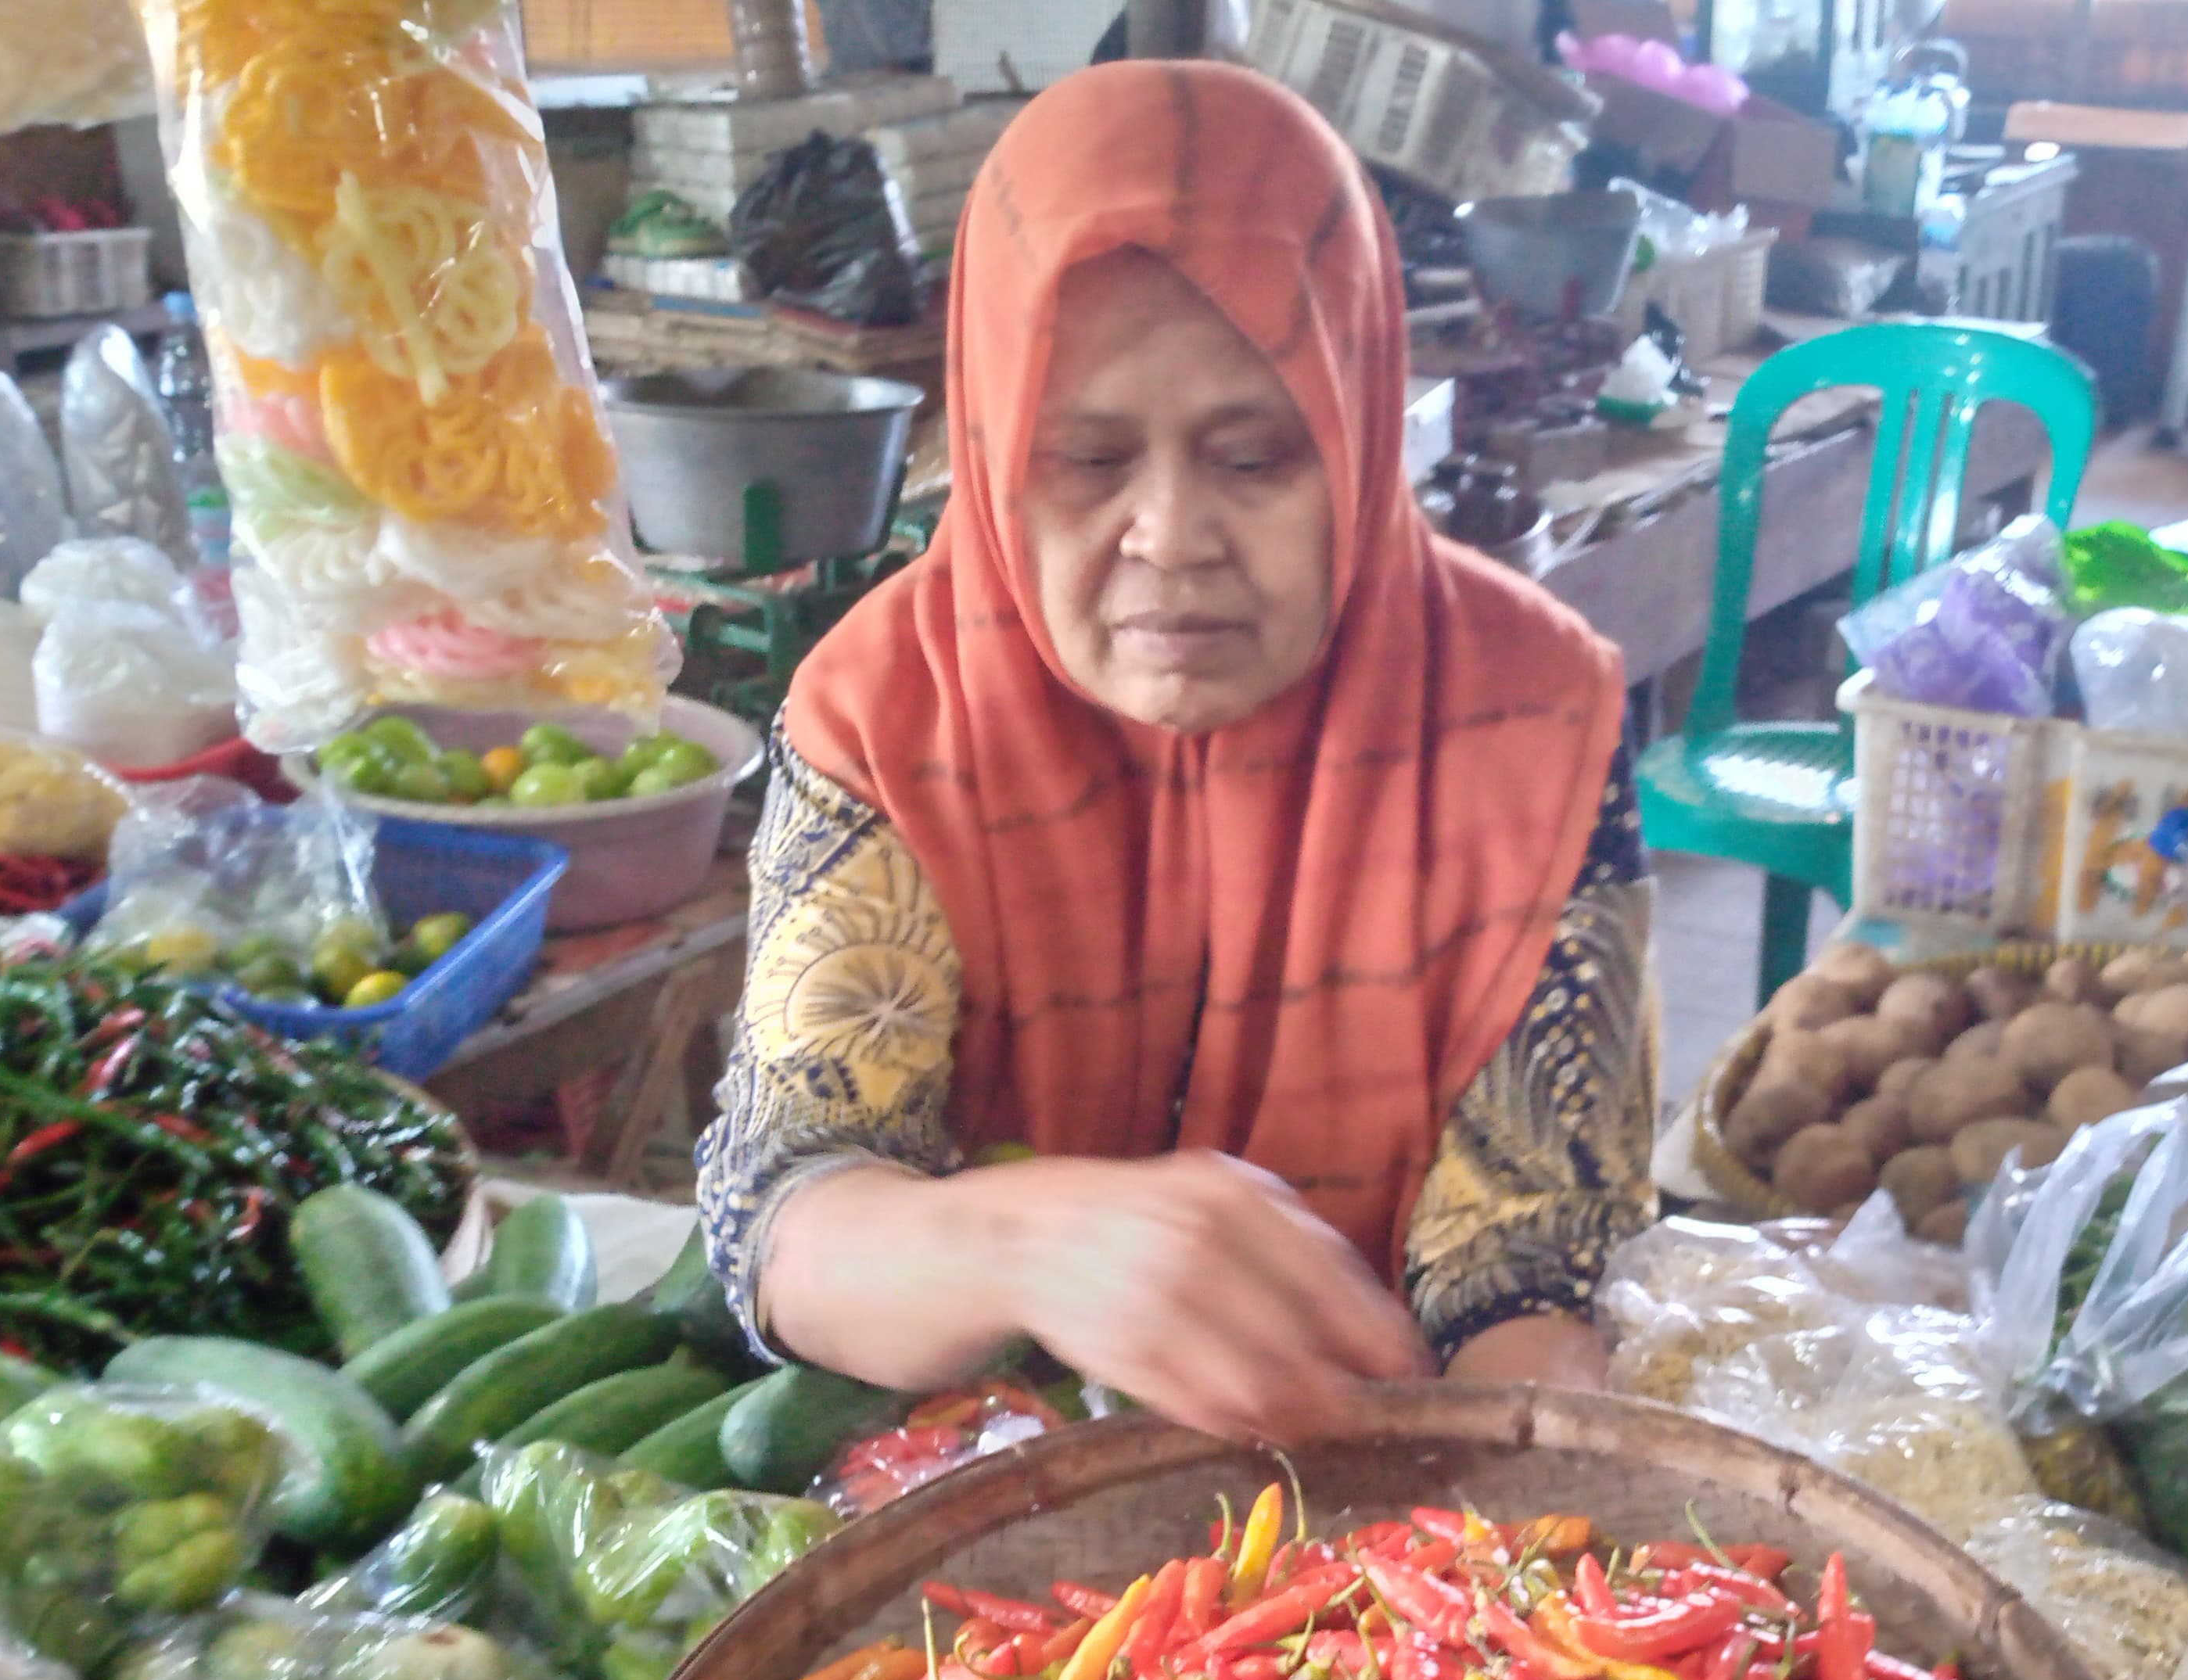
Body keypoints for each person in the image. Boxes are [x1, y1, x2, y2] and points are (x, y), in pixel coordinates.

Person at [699, 60, 1658, 1446]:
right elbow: (783, 1212)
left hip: (1400, 1497)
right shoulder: (886, 715)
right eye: (1088, 461)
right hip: (985, 1507)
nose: (1172, 537)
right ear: (987, 443)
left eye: (1256, 456)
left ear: (1364, 420)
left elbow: (1534, 1267)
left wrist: (1478, 1511)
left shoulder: (1533, 716)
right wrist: (1026, 1242)